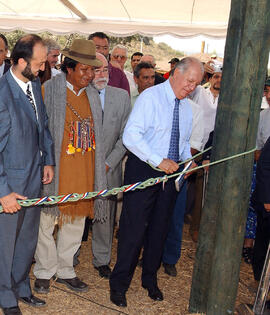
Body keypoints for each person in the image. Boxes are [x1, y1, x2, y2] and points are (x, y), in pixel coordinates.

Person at [109, 57, 204, 307]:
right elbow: (131, 136)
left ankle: (149, 279)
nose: (192, 87)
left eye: (196, 84)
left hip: (171, 176)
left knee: (159, 229)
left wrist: (187, 161)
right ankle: (119, 285)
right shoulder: (150, 98)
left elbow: (182, 142)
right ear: (175, 73)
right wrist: (157, 160)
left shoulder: (185, 107)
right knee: (133, 230)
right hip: (144, 170)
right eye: (189, 81)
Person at [33, 39, 106, 294]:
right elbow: (38, 132)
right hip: (54, 172)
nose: (89, 75)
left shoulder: (94, 97)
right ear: (69, 68)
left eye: (92, 70)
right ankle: (44, 271)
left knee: (75, 223)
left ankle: (65, 270)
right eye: (84, 69)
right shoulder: (47, 91)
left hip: (83, 170)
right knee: (45, 223)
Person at [0, 34, 54, 315]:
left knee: (27, 239)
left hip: (34, 179)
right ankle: (5, 295)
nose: (44, 68)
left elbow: (42, 126)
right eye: (39, 63)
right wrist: (3, 191)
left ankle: (21, 285)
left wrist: (49, 161)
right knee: (5, 243)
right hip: (11, 186)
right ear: (21, 61)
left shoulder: (34, 85)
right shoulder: (2, 94)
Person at [90, 52, 131, 278]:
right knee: (78, 214)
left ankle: (102, 259)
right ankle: (71, 256)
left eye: (105, 70)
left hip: (109, 167)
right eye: (96, 70)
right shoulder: (82, 94)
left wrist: (108, 162)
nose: (101, 74)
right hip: (83, 166)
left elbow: (126, 136)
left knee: (105, 215)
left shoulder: (121, 96)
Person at [252, 135, 270, 282]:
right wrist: (267, 198)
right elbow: (264, 165)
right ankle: (261, 281)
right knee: (263, 245)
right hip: (268, 204)